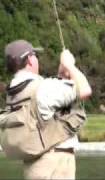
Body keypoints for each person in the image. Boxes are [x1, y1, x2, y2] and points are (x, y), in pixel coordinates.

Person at [4, 39, 92, 179]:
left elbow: (45, 107)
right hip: (55, 164)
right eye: (35, 55)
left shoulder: (13, 93)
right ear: (30, 60)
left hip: (33, 167)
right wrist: (70, 65)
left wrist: (62, 76)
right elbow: (85, 90)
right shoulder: (43, 89)